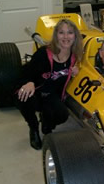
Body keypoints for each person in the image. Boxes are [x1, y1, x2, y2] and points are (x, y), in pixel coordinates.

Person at [14, 18, 83, 150]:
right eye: (61, 32)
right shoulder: (43, 54)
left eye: (70, 32)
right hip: (36, 93)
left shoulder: (75, 56)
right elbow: (23, 72)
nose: (66, 36)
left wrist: (75, 71)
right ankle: (33, 128)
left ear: (75, 36)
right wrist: (29, 82)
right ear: (56, 35)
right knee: (23, 96)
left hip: (51, 95)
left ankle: (46, 123)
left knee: (62, 115)